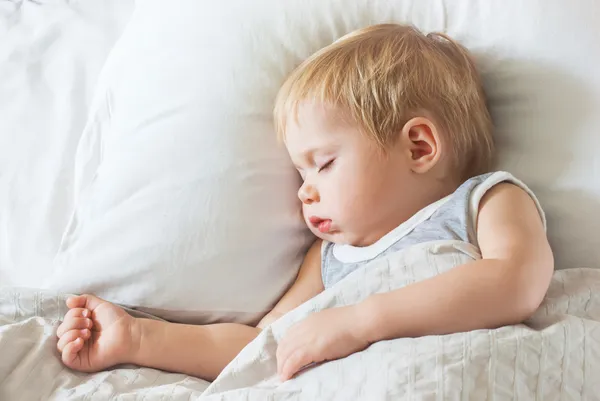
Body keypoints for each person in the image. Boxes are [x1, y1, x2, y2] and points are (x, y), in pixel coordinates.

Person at [56, 23, 554, 382]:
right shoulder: (329, 261)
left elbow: (515, 281)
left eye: (325, 163)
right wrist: (139, 340)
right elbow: (266, 343)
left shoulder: (484, 202)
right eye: (300, 171)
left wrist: (359, 322)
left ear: (418, 147)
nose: (304, 191)